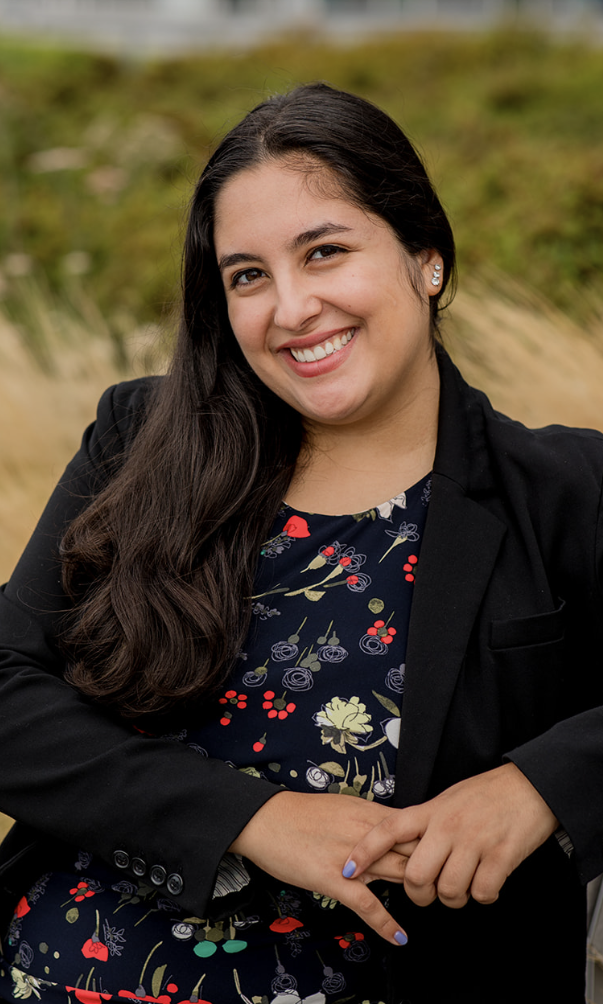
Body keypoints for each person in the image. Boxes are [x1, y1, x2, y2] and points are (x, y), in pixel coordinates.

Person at [0, 82, 601, 1004]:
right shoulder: (139, 438)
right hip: (52, 971)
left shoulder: (560, 490)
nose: (290, 308)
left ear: (425, 257)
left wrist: (538, 787)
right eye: (248, 275)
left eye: (324, 252)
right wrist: (254, 817)